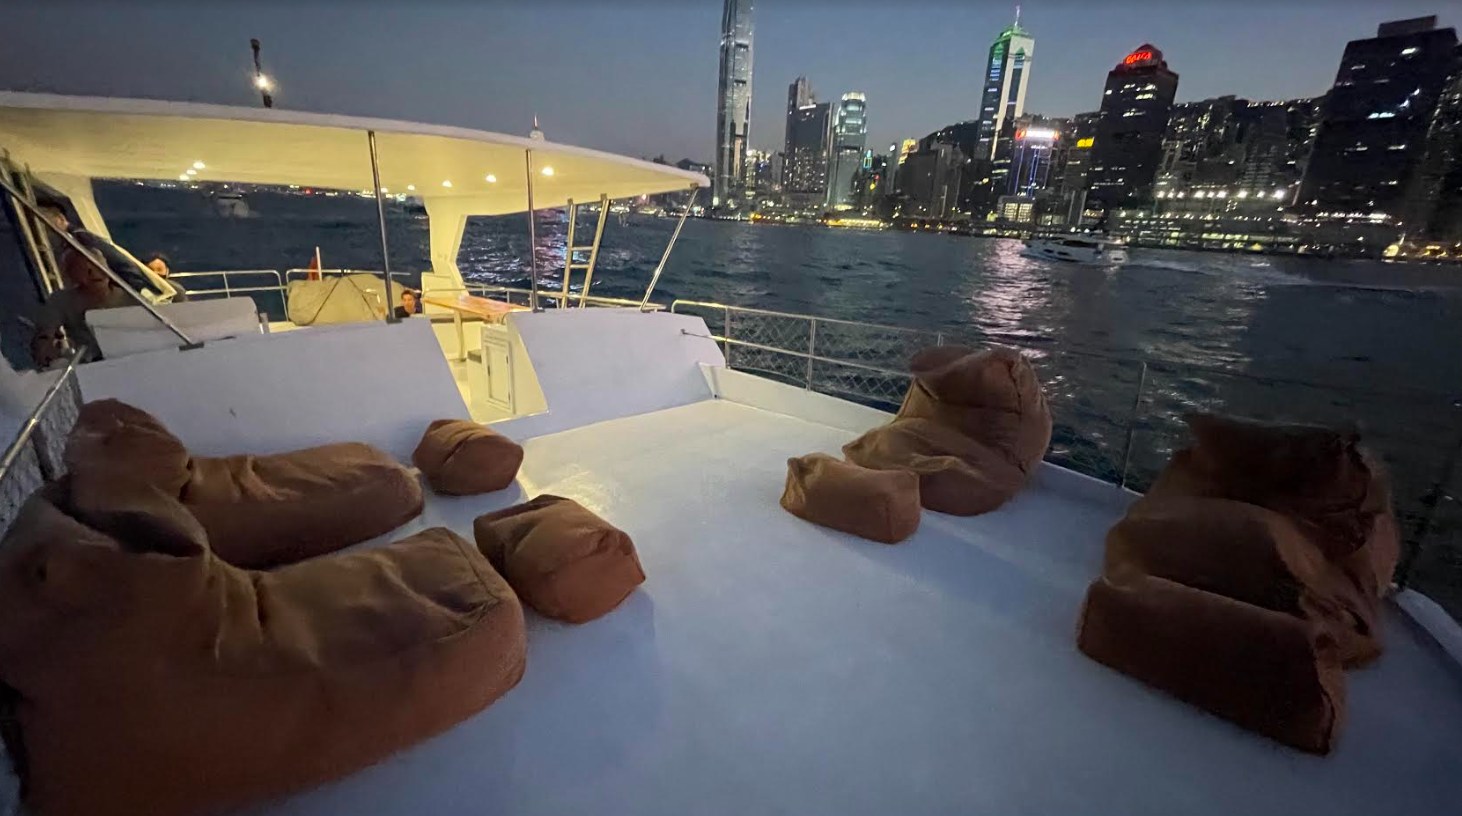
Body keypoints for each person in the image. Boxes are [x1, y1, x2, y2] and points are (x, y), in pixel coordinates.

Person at [30, 246, 133, 366]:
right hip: (92, 367)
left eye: (98, 264)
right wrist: (46, 349)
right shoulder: (62, 301)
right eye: (82, 267)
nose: (94, 271)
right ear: (71, 276)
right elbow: (44, 335)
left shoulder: (133, 297)